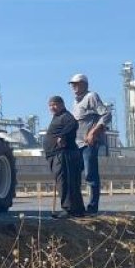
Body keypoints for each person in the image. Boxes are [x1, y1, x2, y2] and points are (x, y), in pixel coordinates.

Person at [69, 73, 111, 215]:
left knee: (90, 175)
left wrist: (94, 132)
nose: (74, 86)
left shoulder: (91, 96)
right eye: (72, 84)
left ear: (85, 85)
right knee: (75, 175)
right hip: (77, 144)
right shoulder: (75, 102)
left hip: (88, 143)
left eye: (77, 83)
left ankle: (92, 208)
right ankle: (78, 207)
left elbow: (106, 114)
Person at [44, 95, 85, 218]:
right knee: (67, 181)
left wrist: (62, 135)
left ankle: (69, 209)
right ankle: (78, 209)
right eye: (50, 105)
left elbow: (73, 124)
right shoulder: (56, 117)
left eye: (55, 104)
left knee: (65, 181)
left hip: (62, 154)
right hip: (55, 154)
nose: (52, 107)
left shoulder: (65, 116)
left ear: (61, 104)